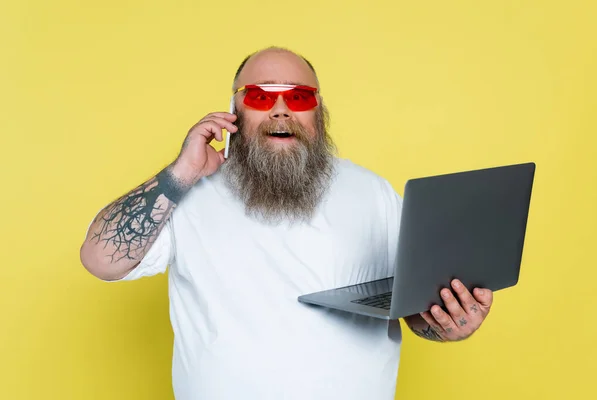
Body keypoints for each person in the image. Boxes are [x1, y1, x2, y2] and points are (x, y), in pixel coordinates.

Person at [80, 46, 494, 400]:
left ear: (319, 112)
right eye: (260, 97)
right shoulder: (188, 194)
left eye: (298, 97)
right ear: (233, 113)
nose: (280, 109)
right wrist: (179, 174)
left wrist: (449, 324)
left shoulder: (373, 193)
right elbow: (100, 259)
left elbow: (414, 310)